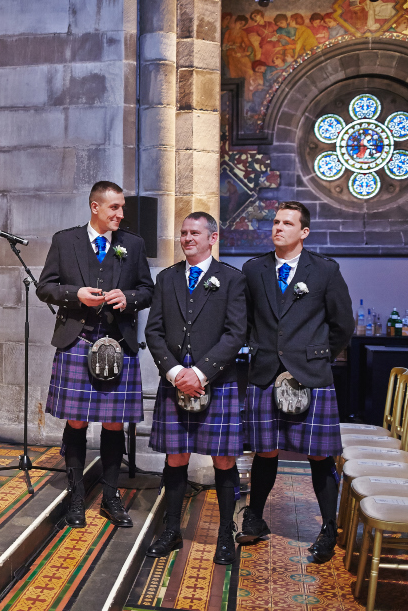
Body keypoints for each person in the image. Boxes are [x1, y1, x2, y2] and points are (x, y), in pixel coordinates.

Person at [237, 201, 354, 563]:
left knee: (319, 455)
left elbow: (343, 325)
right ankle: (255, 519)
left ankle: (328, 529)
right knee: (264, 449)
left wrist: (316, 356)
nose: (278, 228)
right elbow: (245, 321)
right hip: (265, 372)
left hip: (311, 376)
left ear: (303, 232)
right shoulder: (254, 269)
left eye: (287, 223)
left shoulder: (325, 270)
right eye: (275, 222)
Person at [37, 181, 154, 529]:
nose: (120, 214)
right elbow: (46, 287)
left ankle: (111, 497)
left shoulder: (132, 245)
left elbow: (147, 290)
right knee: (76, 421)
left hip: (118, 344)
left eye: (121, 208)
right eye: (114, 208)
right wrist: (76, 295)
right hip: (78, 342)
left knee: (114, 423)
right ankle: (75, 497)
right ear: (95, 207)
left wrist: (127, 299)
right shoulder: (65, 240)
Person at [145, 212, 247, 566]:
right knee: (176, 457)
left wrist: (201, 373)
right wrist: (175, 373)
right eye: (183, 233)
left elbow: (236, 334)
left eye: (194, 233)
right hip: (175, 382)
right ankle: (171, 531)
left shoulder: (232, 280)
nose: (187, 238)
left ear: (212, 238)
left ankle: (224, 536)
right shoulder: (167, 278)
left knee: (223, 458)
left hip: (217, 382)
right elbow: (153, 332)